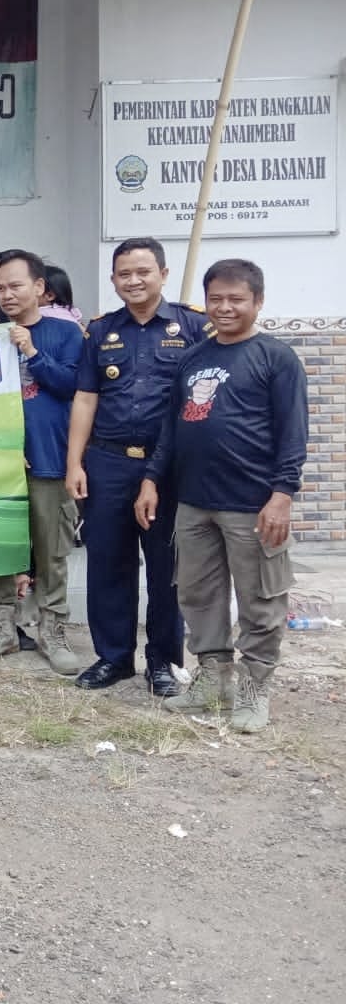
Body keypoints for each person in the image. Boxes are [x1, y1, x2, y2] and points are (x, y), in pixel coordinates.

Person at [136, 259, 308, 733]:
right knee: (198, 595)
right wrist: (151, 479)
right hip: (193, 502)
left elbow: (294, 433)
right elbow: (171, 429)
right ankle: (213, 680)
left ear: (258, 302)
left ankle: (254, 688)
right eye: (216, 299)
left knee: (260, 601)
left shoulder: (276, 358)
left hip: (253, 505)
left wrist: (282, 494)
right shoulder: (194, 358)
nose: (225, 307)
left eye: (237, 299)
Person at [66, 238, 210, 695]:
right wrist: (75, 463)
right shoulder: (101, 331)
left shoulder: (194, 326)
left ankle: (163, 661)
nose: (134, 281)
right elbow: (85, 399)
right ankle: (113, 658)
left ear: (163, 274)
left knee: (166, 568)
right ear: (113, 279)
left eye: (143, 272)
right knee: (108, 562)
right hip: (107, 462)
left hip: (169, 468)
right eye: (124, 274)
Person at [0, 250, 85, 676]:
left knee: (52, 550)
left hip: (49, 457)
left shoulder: (65, 332)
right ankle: (1, 628)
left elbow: (72, 385)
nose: (7, 294)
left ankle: (52, 630)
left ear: (39, 287)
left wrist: (32, 351)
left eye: (15, 285)